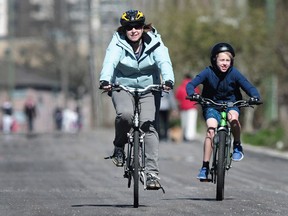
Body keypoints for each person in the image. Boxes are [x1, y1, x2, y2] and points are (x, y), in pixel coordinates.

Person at [99, 9, 174, 189]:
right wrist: (105, 79)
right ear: (124, 29)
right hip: (122, 86)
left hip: (149, 88)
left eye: (137, 27)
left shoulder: (155, 42)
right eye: (129, 27)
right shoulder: (117, 43)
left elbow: (164, 61)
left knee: (148, 125)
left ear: (143, 28)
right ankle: (119, 146)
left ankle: (152, 174)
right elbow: (110, 61)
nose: (134, 31)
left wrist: (169, 79)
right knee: (125, 115)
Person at [186, 42, 261, 180]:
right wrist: (193, 94)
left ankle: (237, 144)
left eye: (228, 60)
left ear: (231, 61)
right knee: (211, 130)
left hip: (232, 104)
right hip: (211, 105)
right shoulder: (208, 72)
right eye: (222, 60)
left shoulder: (234, 73)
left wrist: (255, 96)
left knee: (233, 119)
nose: (225, 63)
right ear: (215, 60)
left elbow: (249, 87)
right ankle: (205, 166)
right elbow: (191, 84)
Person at [175, 74, 200, 141]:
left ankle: (184, 135)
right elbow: (197, 97)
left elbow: (177, 97)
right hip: (192, 107)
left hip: (183, 107)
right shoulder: (194, 87)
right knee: (191, 122)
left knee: (184, 122)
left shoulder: (180, 87)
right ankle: (190, 136)